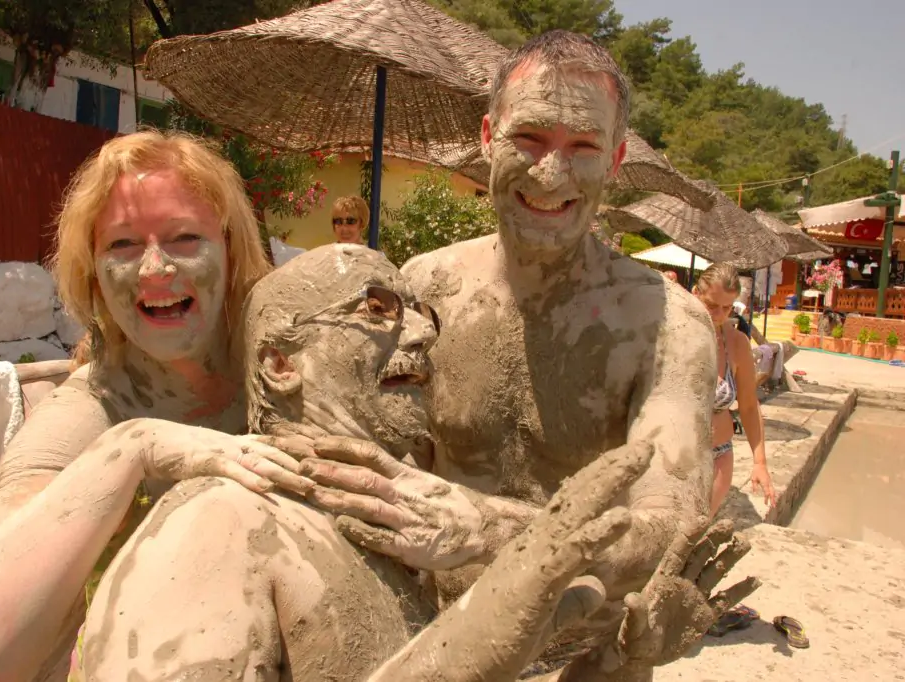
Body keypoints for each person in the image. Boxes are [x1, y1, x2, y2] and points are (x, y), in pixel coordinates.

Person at [71, 244, 757, 682]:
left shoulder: (392, 533)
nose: (426, 333)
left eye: (423, 313)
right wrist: (473, 642)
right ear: (280, 364)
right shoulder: (216, 525)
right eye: (379, 309)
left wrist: (619, 663)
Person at [294, 29, 718, 675]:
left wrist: (490, 530)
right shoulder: (426, 287)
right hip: (434, 641)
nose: (551, 171)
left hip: (582, 653)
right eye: (530, 138)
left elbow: (669, 526)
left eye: (582, 146)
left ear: (615, 159)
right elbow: (355, 445)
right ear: (488, 137)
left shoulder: (663, 323)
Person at [0, 130, 315, 682]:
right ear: (94, 275)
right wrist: (133, 448)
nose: (154, 268)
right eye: (122, 245)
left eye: (184, 237)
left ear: (231, 249)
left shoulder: (298, 367)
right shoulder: (93, 412)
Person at [692, 263, 777, 517]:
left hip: (718, 455)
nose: (719, 315)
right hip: (669, 457)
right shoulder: (670, 335)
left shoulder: (737, 343)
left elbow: (749, 406)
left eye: (727, 308)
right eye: (711, 305)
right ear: (695, 293)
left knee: (693, 531)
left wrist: (760, 462)